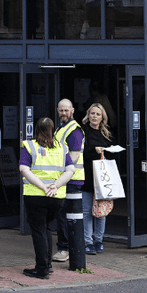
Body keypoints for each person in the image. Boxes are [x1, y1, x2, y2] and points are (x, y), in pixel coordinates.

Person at [20, 116, 75, 279]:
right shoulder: (62, 147)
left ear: (37, 129)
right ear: (52, 130)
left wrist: (43, 187)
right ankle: (48, 265)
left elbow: (24, 169)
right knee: (46, 228)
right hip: (56, 197)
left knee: (38, 230)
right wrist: (55, 186)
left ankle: (42, 268)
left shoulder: (30, 146)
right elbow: (70, 170)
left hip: (35, 196)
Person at [53, 98, 84, 263]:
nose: (63, 113)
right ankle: (68, 248)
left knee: (64, 215)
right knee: (63, 215)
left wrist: (62, 176)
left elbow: (74, 155)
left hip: (71, 179)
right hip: (66, 179)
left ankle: (65, 249)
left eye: (66, 110)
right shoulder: (61, 128)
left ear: (72, 111)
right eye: (61, 110)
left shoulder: (74, 130)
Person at [81, 102, 114, 254]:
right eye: (92, 113)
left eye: (98, 114)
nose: (94, 116)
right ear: (88, 115)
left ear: (102, 117)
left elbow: (112, 153)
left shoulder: (106, 133)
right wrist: (94, 151)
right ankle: (88, 242)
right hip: (87, 176)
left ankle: (99, 240)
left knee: (101, 211)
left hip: (102, 177)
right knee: (87, 211)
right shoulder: (83, 131)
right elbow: (80, 153)